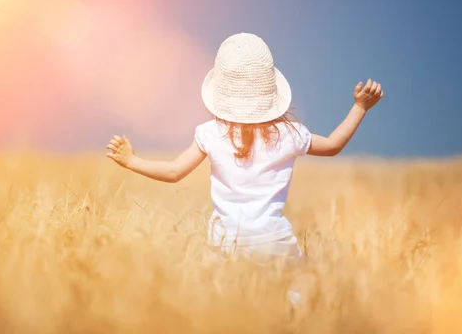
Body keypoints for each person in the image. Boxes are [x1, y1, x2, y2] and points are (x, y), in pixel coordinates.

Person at [106, 32, 383, 270]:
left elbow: (173, 171)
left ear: (222, 92)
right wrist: (360, 108)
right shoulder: (290, 134)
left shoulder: (210, 133)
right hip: (276, 246)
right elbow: (333, 145)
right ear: (269, 89)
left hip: (225, 249)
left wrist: (131, 160)